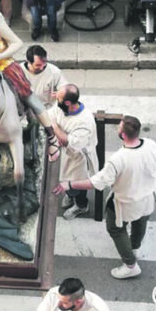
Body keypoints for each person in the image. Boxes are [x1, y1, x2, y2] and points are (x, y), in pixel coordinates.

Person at [55, 114, 156, 280]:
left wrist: (69, 184)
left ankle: (130, 264)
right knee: (140, 222)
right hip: (147, 198)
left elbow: (97, 182)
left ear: (123, 135)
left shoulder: (118, 159)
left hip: (125, 201)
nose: (118, 129)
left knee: (115, 228)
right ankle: (134, 248)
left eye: (119, 128)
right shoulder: (151, 145)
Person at [48, 83, 97, 220]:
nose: (57, 102)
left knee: (77, 186)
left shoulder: (84, 121)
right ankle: (70, 196)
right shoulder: (61, 107)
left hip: (78, 160)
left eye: (59, 99)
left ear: (68, 102)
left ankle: (81, 205)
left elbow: (67, 141)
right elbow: (50, 115)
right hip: (66, 156)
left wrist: (55, 127)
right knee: (66, 181)